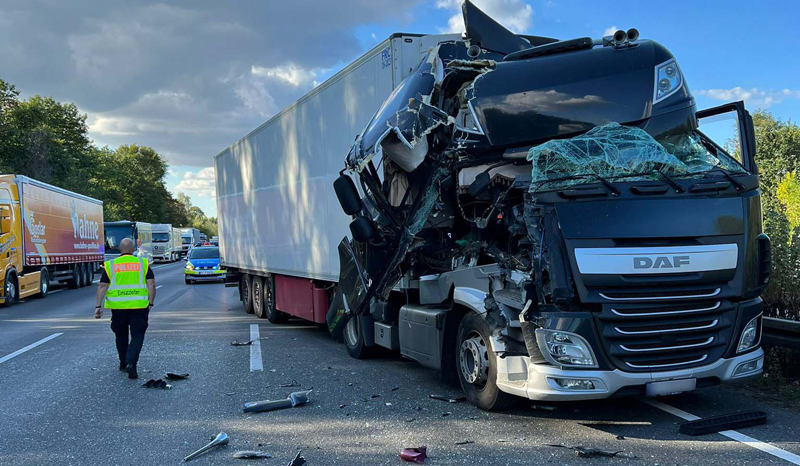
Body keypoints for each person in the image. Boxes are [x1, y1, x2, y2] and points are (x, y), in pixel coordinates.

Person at [94, 238, 156, 379]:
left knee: (121, 336)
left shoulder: (110, 265)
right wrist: (150, 302)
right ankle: (131, 364)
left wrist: (98, 306)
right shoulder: (142, 263)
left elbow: (102, 286)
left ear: (119, 249)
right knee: (137, 335)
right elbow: (151, 284)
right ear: (133, 249)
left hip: (118, 308)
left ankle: (123, 362)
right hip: (139, 307)